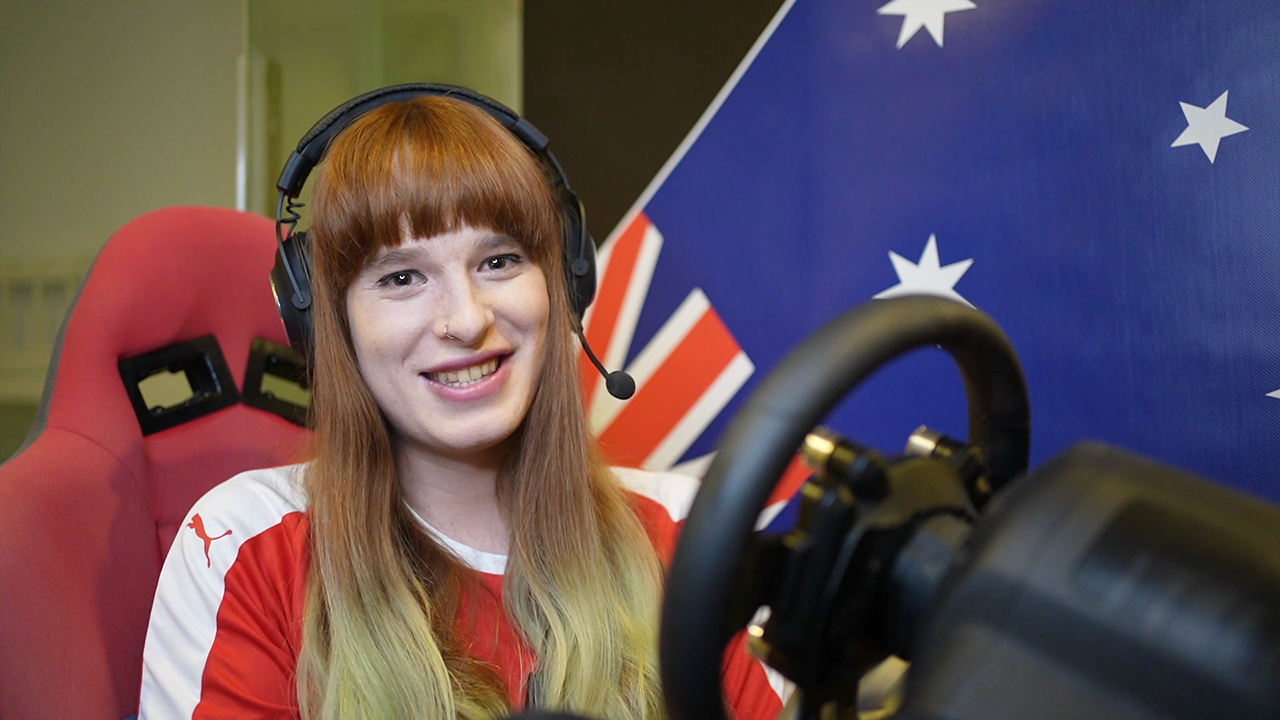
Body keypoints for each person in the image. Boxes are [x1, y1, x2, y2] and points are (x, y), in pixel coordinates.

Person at [136, 91, 787, 719]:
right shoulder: (244, 548)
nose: (468, 320)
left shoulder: (695, 533)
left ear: (562, 284)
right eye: (402, 277)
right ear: (329, 323)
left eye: (499, 261)